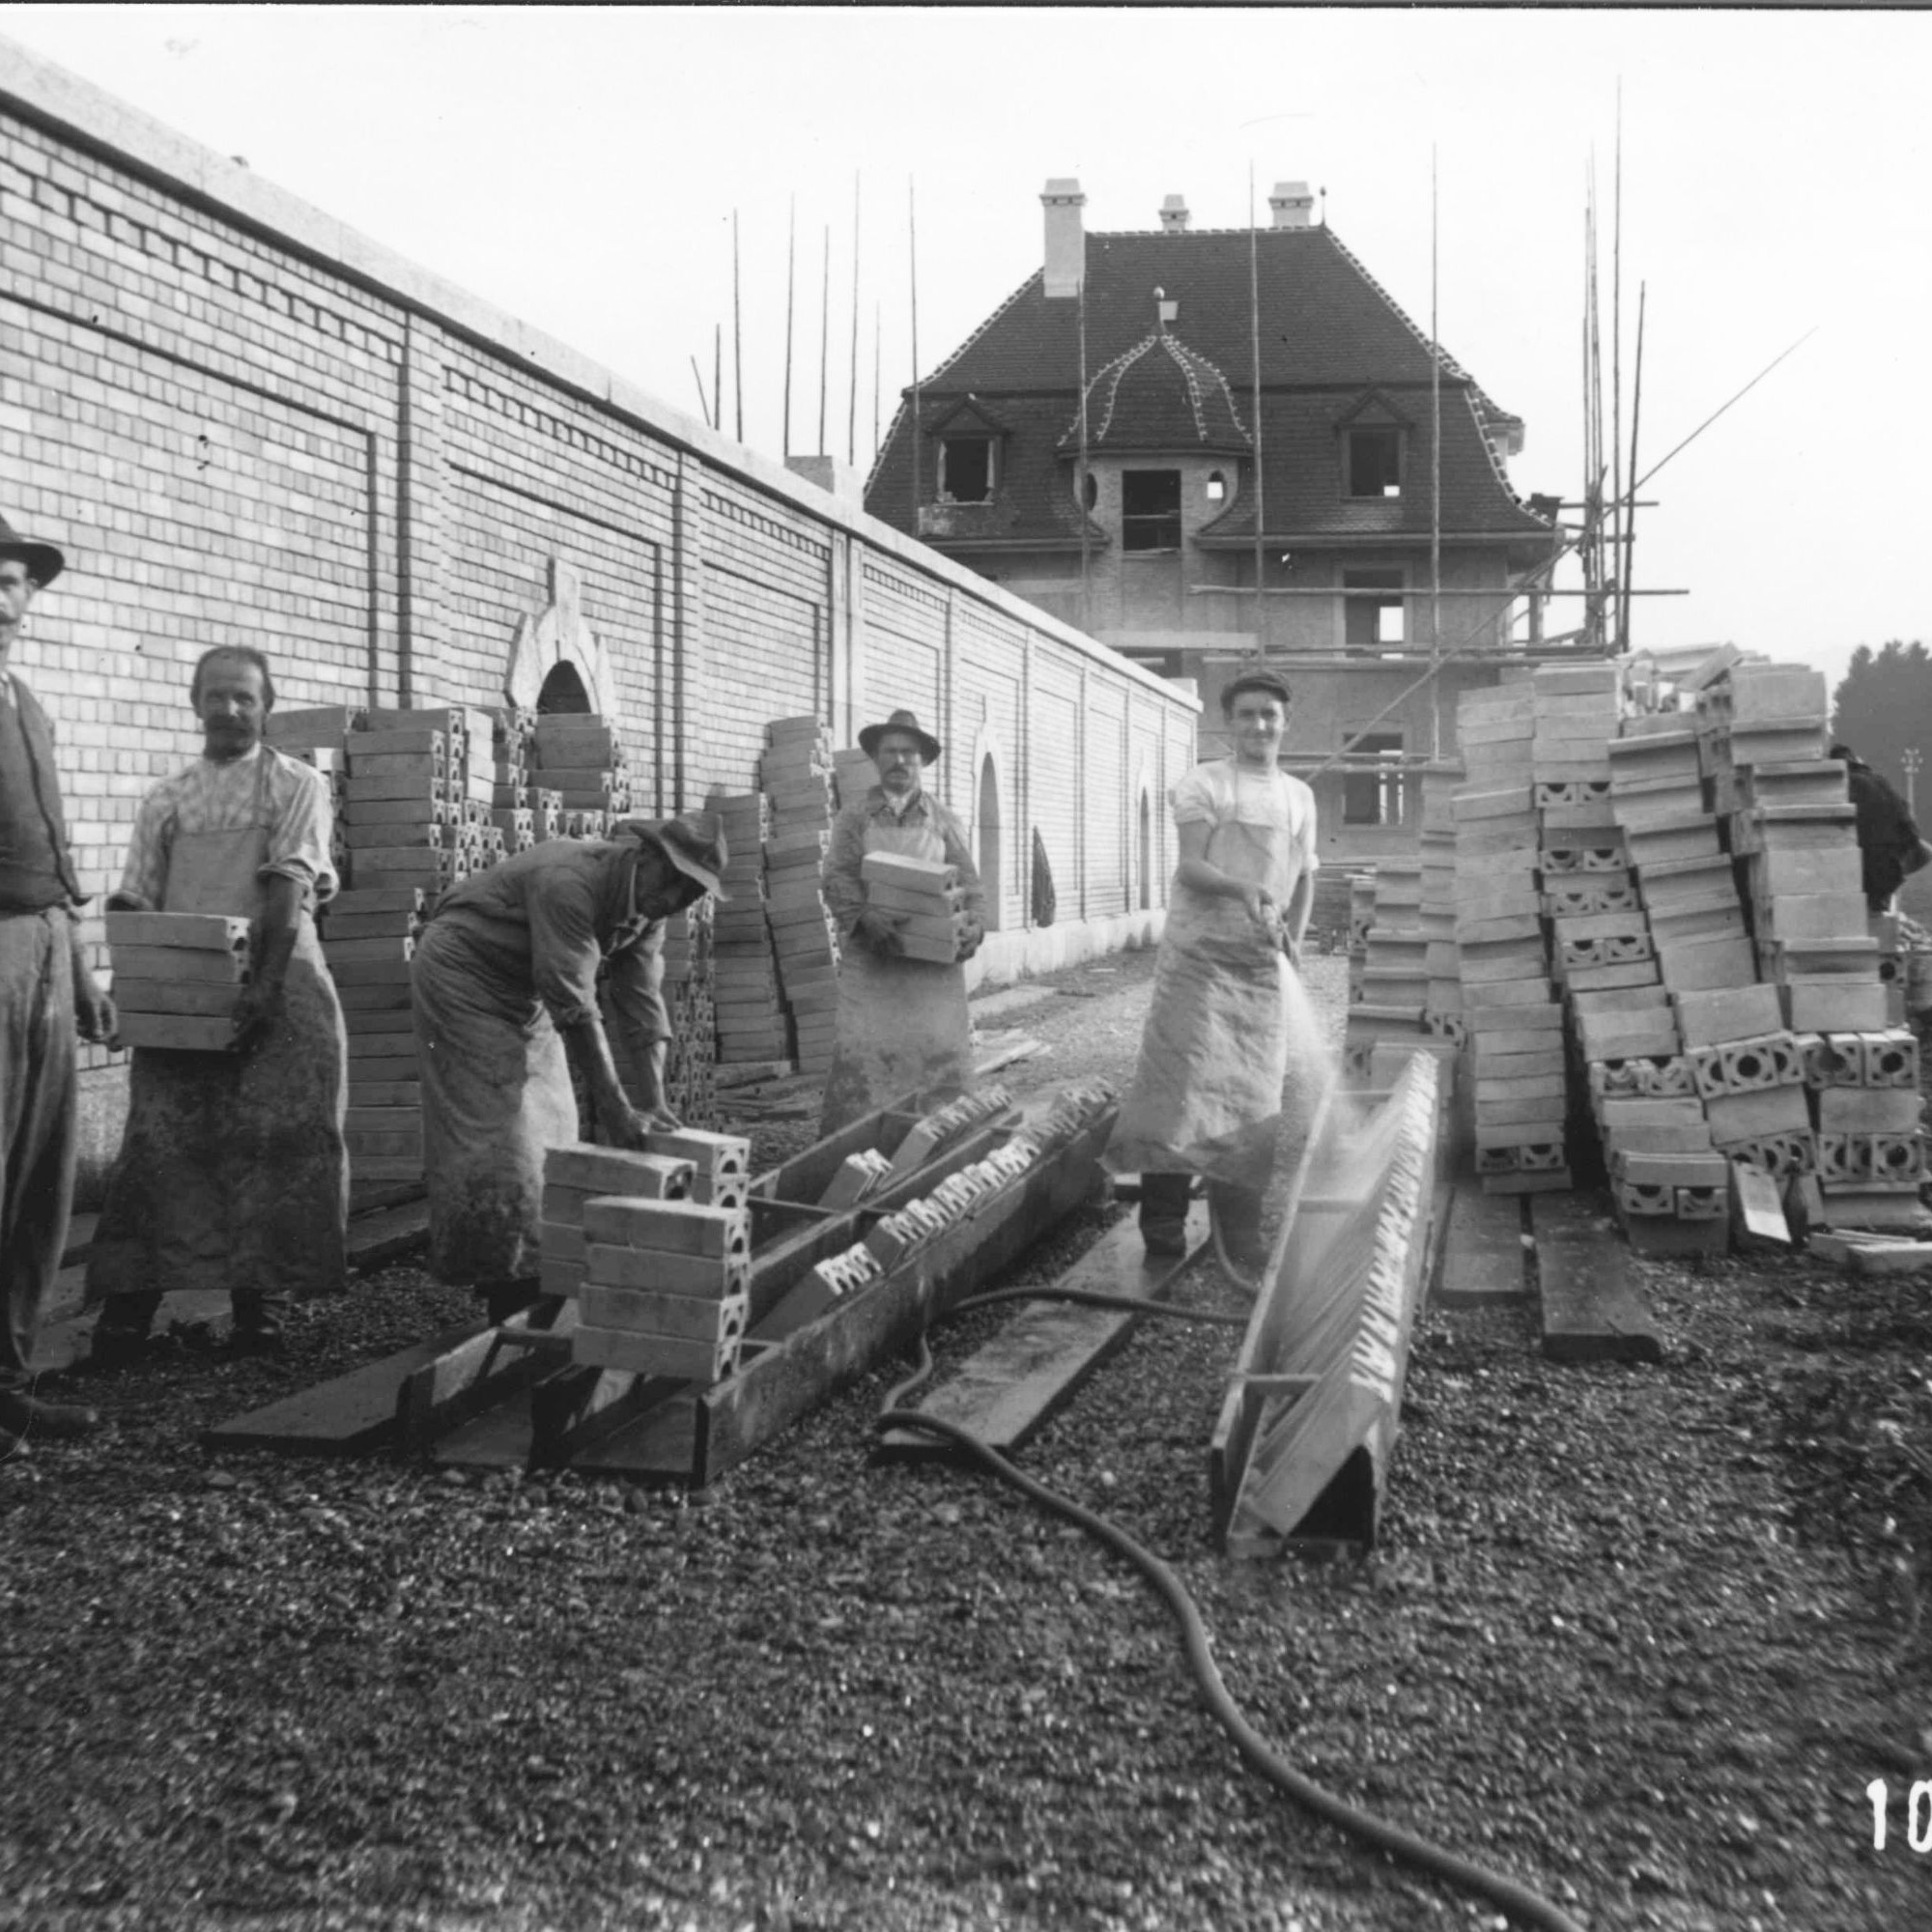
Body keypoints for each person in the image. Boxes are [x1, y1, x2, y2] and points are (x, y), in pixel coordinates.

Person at [85, 646, 349, 1363]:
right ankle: (127, 1316)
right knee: (161, 1149)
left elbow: (288, 885)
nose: (231, 710)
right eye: (218, 697)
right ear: (195, 703)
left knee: (271, 1146)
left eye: (246, 698)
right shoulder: (167, 798)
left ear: (267, 708)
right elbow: (137, 894)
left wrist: (261, 987)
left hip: (279, 982)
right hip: (187, 993)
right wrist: (132, 984)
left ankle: (258, 1312)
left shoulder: (294, 785)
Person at [409, 813, 726, 1324]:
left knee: (557, 1127)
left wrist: (656, 1105)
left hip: (523, 987)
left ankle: (535, 1266)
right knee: (503, 1134)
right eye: (671, 884)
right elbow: (576, 1007)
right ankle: (504, 1286)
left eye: (689, 897)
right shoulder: (569, 881)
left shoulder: (649, 909)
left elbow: (642, 1008)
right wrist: (617, 1106)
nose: (672, 902)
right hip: (462, 974)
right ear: (645, 857)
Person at [1105, 669, 1317, 1271]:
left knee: (1252, 1097)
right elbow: (1191, 868)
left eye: (1269, 714)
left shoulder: (1299, 796)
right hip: (1198, 961)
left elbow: (1306, 877)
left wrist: (1293, 944)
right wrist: (1242, 886)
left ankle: (1238, 1225)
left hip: (1258, 969)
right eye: (1247, 714)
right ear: (1229, 723)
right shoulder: (1206, 784)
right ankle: (1165, 1224)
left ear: (1285, 721)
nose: (1258, 725)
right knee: (1179, 1091)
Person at [0, 517, 116, 1452]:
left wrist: (76, 967)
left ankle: (11, 1375)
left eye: (19, 584)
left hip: (42, 943)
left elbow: (56, 853)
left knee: (42, 1170)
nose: (11, 601)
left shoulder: (27, 702)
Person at [819, 708, 985, 1135]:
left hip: (932, 968)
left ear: (923, 762)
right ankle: (854, 1147)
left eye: (908, 753)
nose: (899, 761)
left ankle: (939, 1146)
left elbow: (969, 883)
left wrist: (973, 927)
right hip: (874, 960)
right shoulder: (854, 817)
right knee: (866, 1057)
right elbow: (836, 875)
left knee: (936, 1061)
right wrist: (862, 916)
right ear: (876, 759)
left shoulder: (944, 820)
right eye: (890, 752)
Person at [1831, 743, 1932, 914]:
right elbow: (1908, 824)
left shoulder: (1841, 786)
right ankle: (1881, 897)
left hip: (1865, 867)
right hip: (1892, 862)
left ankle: (1876, 897)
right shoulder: (1879, 780)